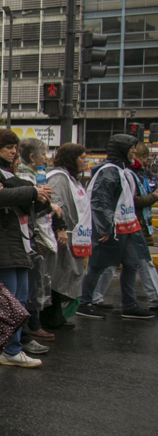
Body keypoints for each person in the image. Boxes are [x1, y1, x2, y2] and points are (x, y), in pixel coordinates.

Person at [0, 129, 50, 366]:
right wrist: (30, 191)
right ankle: (7, 350)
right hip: (5, 243)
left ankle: (13, 348)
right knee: (9, 302)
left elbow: (15, 201)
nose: (13, 152)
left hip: (17, 242)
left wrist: (39, 198)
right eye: (8, 147)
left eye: (15, 148)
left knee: (18, 300)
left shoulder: (7, 171)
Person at [78, 134, 155, 320]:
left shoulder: (122, 170)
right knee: (99, 264)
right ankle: (84, 303)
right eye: (131, 148)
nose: (134, 152)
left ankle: (129, 304)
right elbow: (100, 201)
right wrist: (104, 227)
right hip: (114, 227)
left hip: (127, 226)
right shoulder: (110, 171)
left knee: (131, 263)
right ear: (121, 149)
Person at [16, 138, 64, 344]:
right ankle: (32, 324)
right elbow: (31, 206)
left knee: (38, 280)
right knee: (33, 283)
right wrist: (48, 205)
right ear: (32, 157)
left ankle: (34, 322)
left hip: (39, 233)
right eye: (43, 154)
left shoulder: (37, 176)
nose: (46, 158)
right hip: (31, 235)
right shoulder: (24, 178)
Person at [45, 143, 90, 327]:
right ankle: (51, 317)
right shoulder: (59, 178)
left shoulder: (72, 179)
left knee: (66, 273)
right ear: (72, 159)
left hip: (75, 236)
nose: (86, 162)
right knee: (58, 275)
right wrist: (60, 228)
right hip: (62, 235)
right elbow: (56, 203)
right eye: (82, 158)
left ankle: (57, 315)